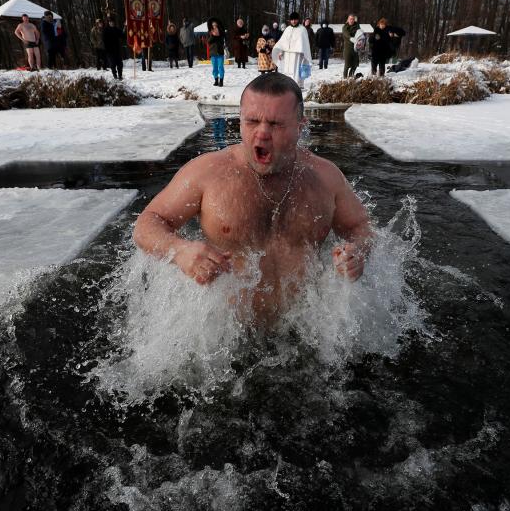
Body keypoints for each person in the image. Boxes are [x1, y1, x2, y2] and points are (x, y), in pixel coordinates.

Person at [133, 72, 373, 326]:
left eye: (275, 124)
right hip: (227, 337)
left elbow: (361, 227)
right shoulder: (207, 172)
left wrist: (357, 253)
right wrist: (180, 250)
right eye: (252, 121)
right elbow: (148, 223)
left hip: (303, 330)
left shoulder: (326, 177)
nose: (261, 134)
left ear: (300, 126)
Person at [272, 12, 312, 87]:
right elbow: (283, 42)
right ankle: (287, 86)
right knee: (287, 70)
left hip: (297, 55)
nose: (293, 21)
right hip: (287, 54)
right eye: (292, 20)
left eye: (295, 20)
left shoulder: (302, 29)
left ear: (298, 20)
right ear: (290, 20)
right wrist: (280, 52)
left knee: (296, 71)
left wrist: (304, 55)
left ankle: (296, 86)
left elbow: (305, 44)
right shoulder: (287, 29)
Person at [208, 18, 225, 87]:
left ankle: (221, 81)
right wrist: (213, 36)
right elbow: (209, 41)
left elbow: (222, 42)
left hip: (220, 53)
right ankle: (216, 80)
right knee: (214, 68)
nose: (214, 26)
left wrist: (218, 35)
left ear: (217, 25)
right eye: (213, 25)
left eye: (215, 25)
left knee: (220, 67)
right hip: (213, 53)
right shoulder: (210, 32)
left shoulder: (221, 33)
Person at [342, 13, 360, 78]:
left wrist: (360, 41)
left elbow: (360, 33)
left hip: (355, 48)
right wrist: (351, 38)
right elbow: (346, 34)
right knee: (347, 65)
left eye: (353, 19)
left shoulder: (357, 26)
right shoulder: (345, 27)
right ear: (348, 19)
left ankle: (350, 76)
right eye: (350, 19)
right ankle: (345, 78)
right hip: (348, 48)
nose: (351, 20)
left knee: (355, 64)